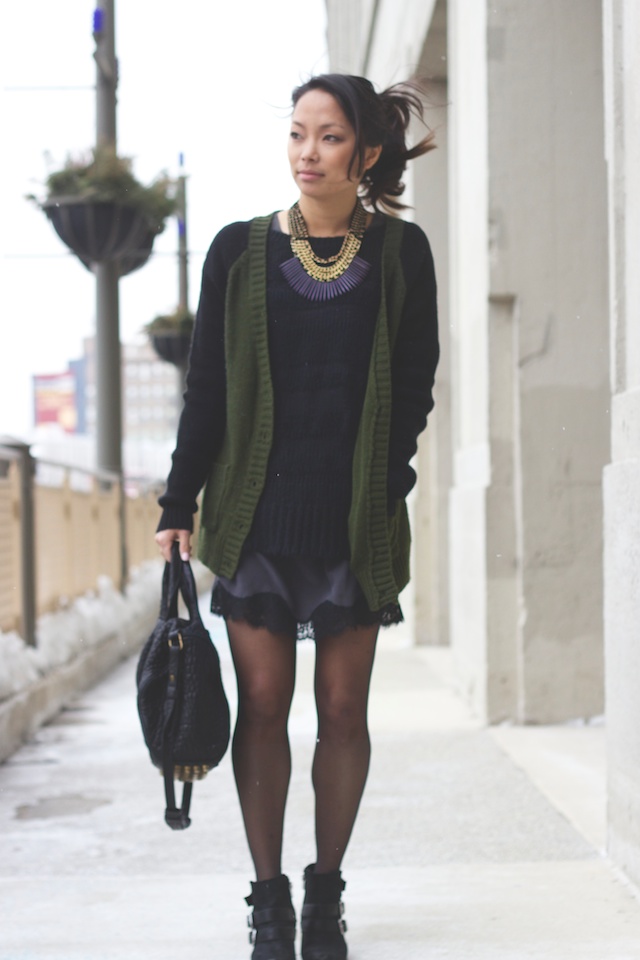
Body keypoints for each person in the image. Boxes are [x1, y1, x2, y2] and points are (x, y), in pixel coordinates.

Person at [155, 73, 439, 960]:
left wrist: (387, 480)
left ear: (366, 152)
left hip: (354, 523)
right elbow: (207, 388)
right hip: (259, 522)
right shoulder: (239, 254)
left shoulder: (400, 253)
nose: (307, 153)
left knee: (345, 709)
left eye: (327, 137)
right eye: (296, 134)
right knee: (265, 706)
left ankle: (326, 893)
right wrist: (178, 500)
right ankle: (269, 899)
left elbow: (416, 383)